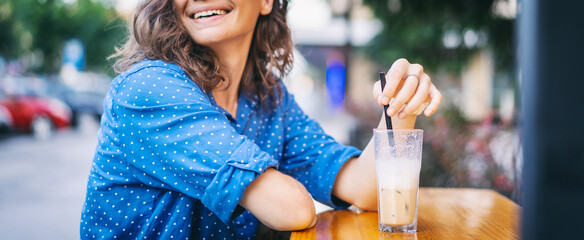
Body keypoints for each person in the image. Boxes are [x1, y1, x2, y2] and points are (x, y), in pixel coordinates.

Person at [79, 0, 442, 239]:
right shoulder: (148, 89)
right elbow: (292, 210)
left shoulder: (268, 99)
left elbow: (365, 188)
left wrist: (402, 106)